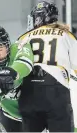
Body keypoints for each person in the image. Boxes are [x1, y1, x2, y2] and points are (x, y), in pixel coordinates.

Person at [17, 1, 77, 132]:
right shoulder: (66, 35)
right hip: (56, 92)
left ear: (38, 18)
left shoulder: (24, 37)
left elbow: (16, 65)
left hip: (28, 93)